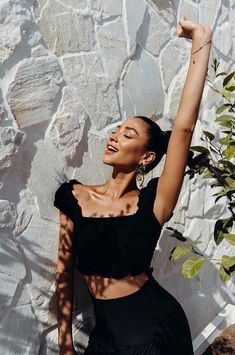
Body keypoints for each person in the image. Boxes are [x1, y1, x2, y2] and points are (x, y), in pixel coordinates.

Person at [54, 16, 212, 355]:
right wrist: (65, 341)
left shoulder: (154, 202)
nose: (115, 136)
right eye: (116, 130)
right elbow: (63, 274)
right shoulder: (74, 196)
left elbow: (183, 129)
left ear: (146, 156)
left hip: (155, 334)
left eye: (129, 134)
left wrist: (201, 39)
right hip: (105, 334)